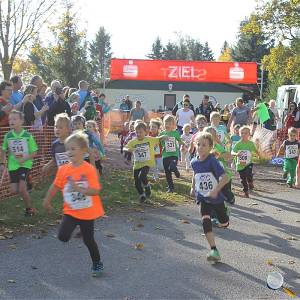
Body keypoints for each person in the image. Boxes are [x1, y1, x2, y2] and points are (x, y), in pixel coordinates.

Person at [43, 132, 105, 277]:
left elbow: (96, 190)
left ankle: (97, 263)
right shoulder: (64, 170)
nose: (69, 152)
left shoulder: (89, 169)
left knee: (89, 240)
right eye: (67, 149)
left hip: (87, 212)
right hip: (71, 211)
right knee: (63, 236)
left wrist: (79, 189)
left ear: (83, 151)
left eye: (73, 149)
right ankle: (77, 228)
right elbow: (55, 186)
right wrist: (47, 200)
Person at [190, 132, 229, 262]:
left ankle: (224, 215)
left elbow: (225, 177)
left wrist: (216, 190)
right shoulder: (194, 162)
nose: (200, 147)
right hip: (203, 197)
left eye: (204, 145)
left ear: (210, 147)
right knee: (205, 221)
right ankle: (213, 249)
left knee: (224, 223)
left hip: (216, 197)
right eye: (198, 144)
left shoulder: (212, 161)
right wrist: (192, 187)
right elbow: (196, 174)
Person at [0, 110, 38, 216]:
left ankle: (29, 209)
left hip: (25, 164)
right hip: (13, 165)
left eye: (14, 119)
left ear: (21, 121)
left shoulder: (27, 135)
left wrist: (24, 159)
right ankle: (28, 183)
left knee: (22, 189)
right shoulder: (8, 136)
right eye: (10, 119)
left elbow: (34, 152)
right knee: (14, 190)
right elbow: (3, 150)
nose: (11, 121)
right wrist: (2, 164)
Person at [124, 122, 161, 202]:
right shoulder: (133, 141)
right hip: (137, 164)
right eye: (137, 132)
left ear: (145, 132)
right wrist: (128, 149)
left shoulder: (149, 139)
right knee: (137, 182)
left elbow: (159, 138)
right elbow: (125, 148)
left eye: (140, 132)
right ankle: (142, 195)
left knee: (142, 176)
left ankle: (147, 187)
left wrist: (165, 137)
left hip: (147, 163)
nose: (138, 134)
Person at [159, 115, 185, 193]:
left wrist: (183, 145)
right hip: (165, 155)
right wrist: (160, 141)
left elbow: (179, 141)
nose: (168, 125)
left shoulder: (175, 133)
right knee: (167, 172)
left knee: (172, 166)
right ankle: (171, 187)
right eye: (166, 123)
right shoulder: (162, 133)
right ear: (163, 124)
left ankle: (176, 172)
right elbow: (158, 141)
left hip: (174, 154)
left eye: (170, 124)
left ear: (173, 125)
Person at [232, 126, 260, 198]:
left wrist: (258, 155)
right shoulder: (238, 144)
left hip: (248, 163)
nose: (244, 134)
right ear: (239, 134)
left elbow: (255, 150)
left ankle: (250, 182)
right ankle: (246, 192)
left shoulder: (251, 143)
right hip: (240, 164)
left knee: (248, 174)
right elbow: (232, 152)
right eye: (242, 133)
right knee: (243, 179)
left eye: (246, 133)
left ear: (249, 134)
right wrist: (236, 154)